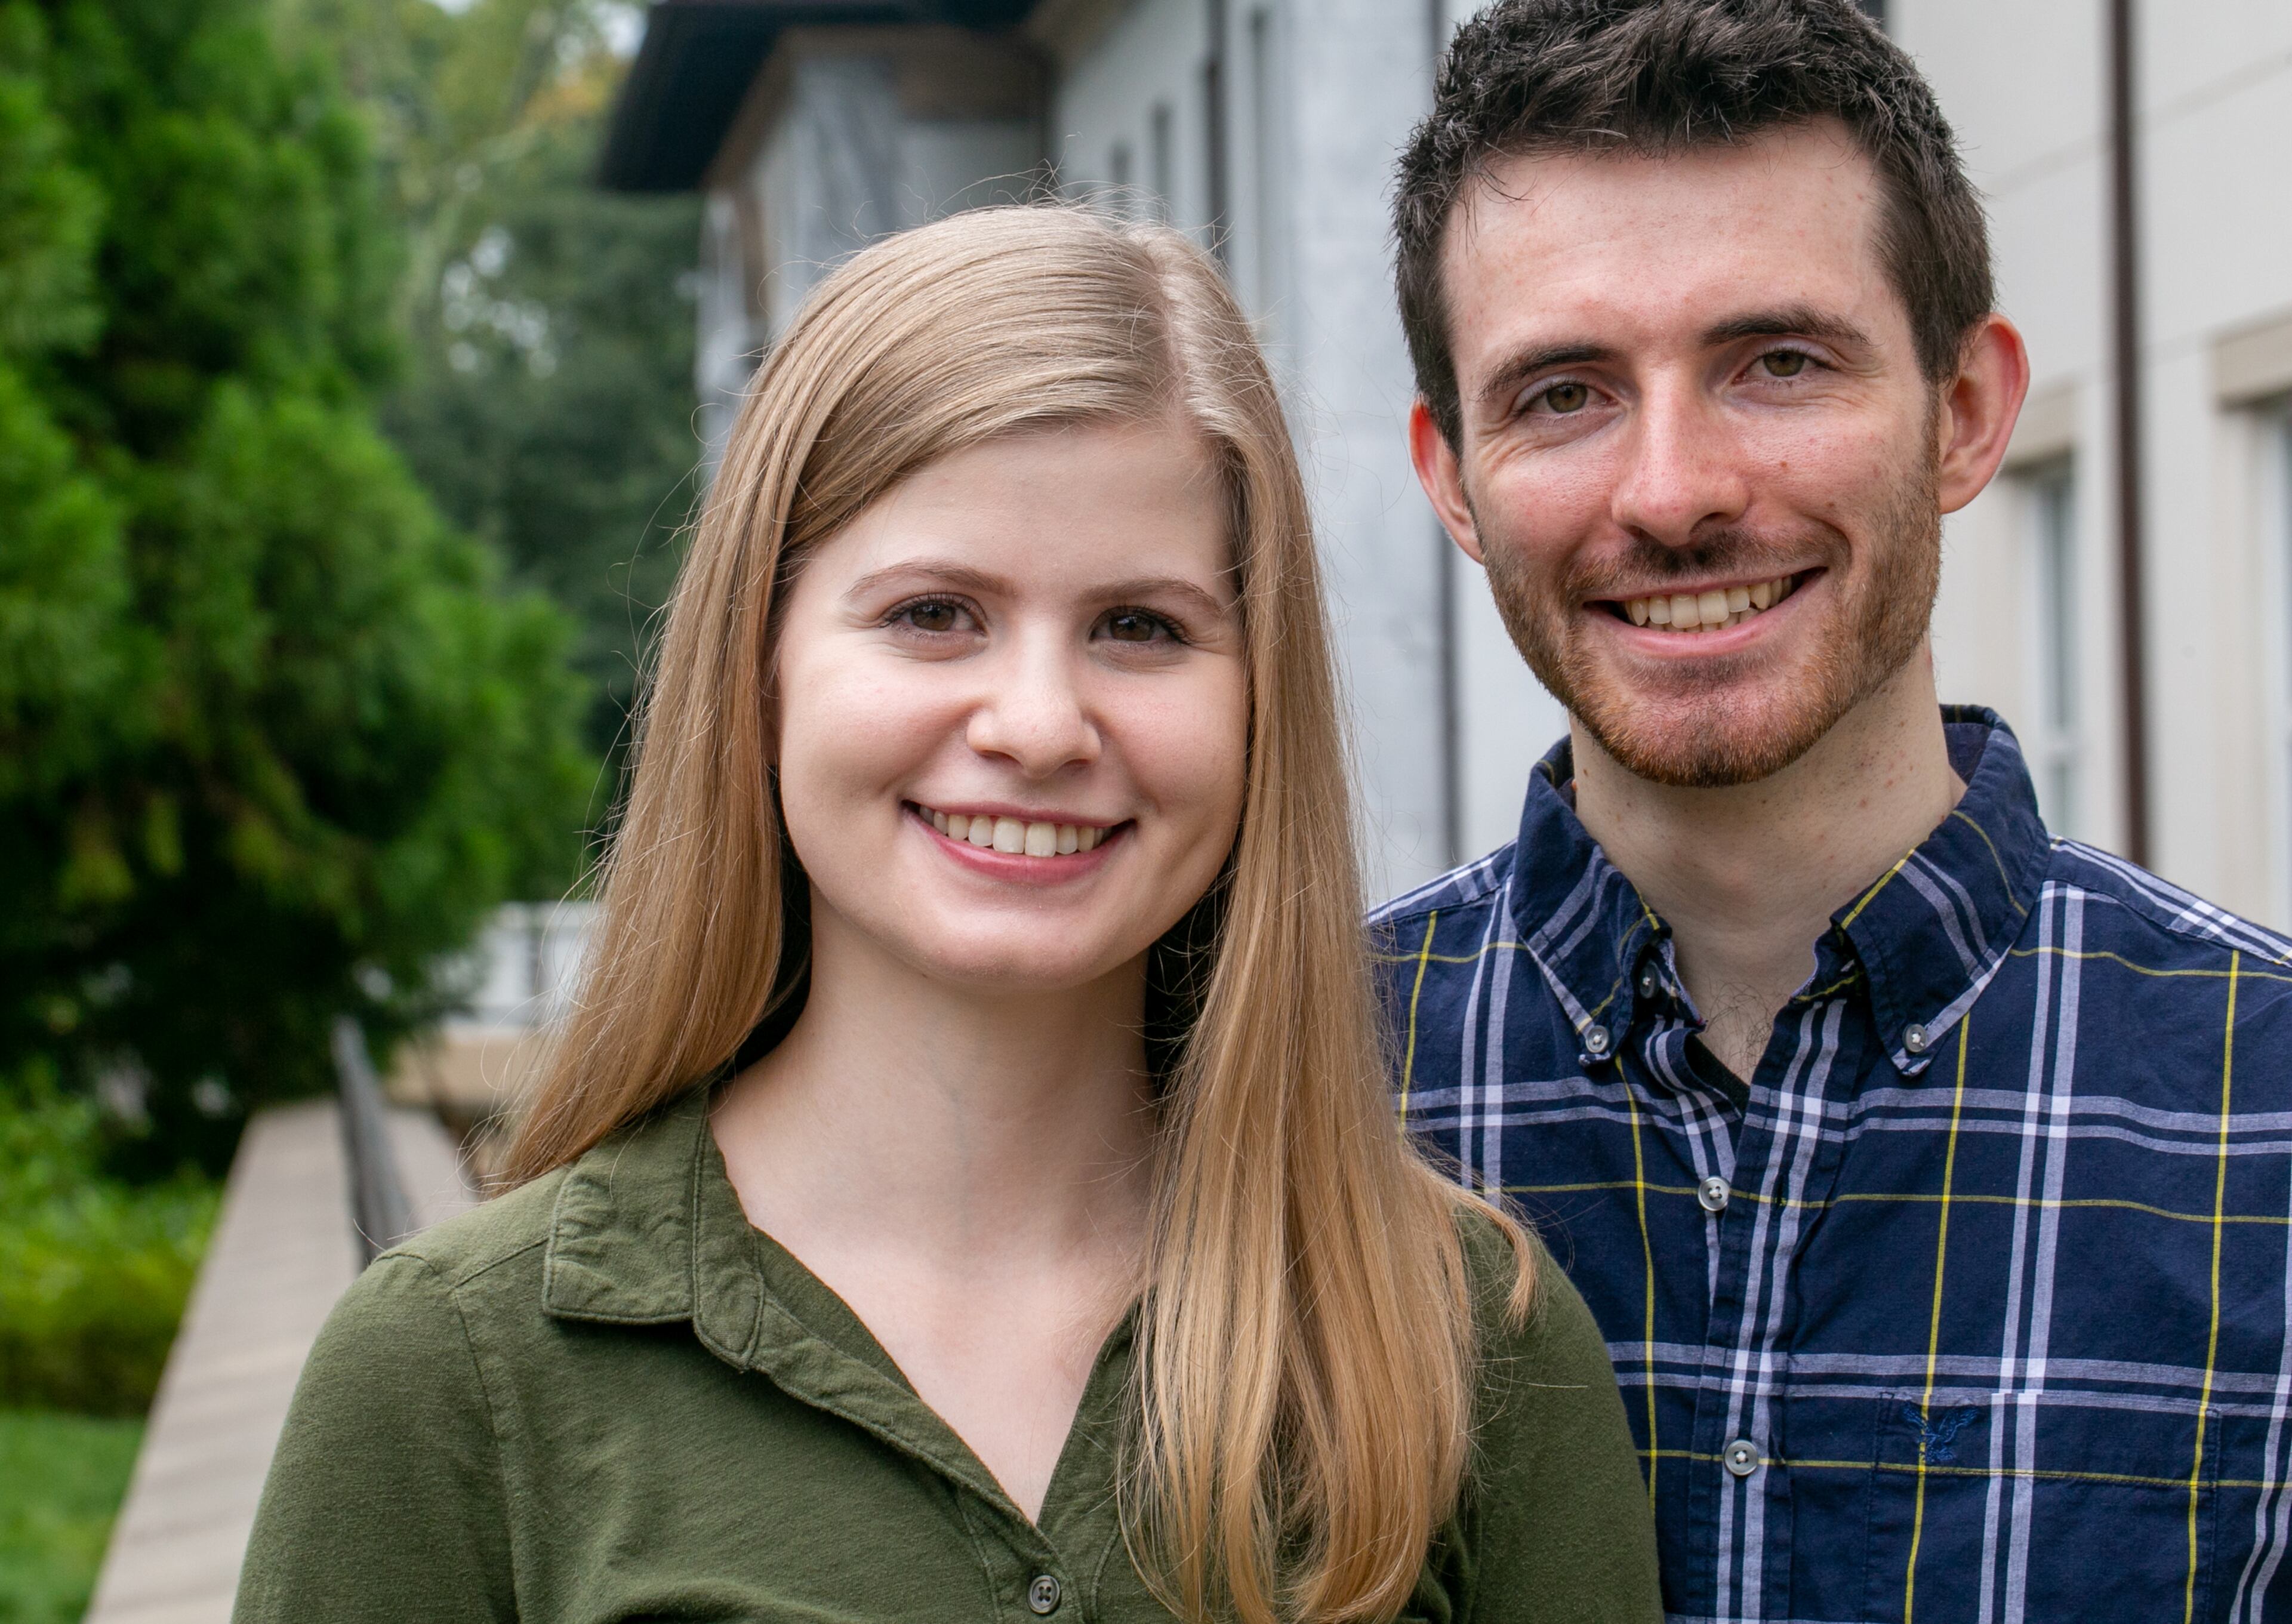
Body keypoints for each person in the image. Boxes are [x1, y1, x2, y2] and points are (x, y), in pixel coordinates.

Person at [233, 205, 1660, 1624]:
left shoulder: (1466, 1343)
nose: (1039, 724)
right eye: (933, 612)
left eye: (1141, 626)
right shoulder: (452, 1376)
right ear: (763, 660)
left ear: (1254, 701)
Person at [1378, 1, 2292, 1620]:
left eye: (1778, 362)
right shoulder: (1270, 1094)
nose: (1673, 492)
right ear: (1453, 475)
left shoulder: (2268, 1115)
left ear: (1965, 411)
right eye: (1566, 392)